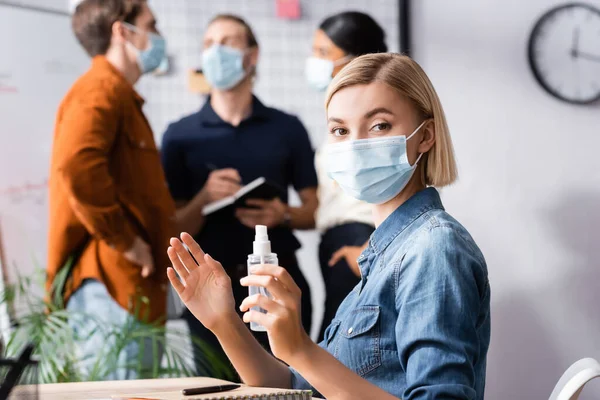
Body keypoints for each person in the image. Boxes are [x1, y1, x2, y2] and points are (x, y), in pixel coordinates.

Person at [166, 53, 491, 399]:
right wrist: (224, 321)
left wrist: (301, 350)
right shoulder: (380, 260)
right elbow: (298, 387)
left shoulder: (433, 248)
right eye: (340, 130)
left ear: (425, 136)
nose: (355, 145)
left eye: (379, 125)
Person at [160, 14, 318, 375]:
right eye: (209, 43)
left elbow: (314, 211)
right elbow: (172, 227)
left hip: (277, 285)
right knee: (213, 392)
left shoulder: (287, 128)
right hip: (207, 291)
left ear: (252, 56)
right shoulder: (179, 136)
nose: (216, 51)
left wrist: (283, 215)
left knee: (288, 388)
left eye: (228, 42)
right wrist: (202, 199)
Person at [47, 0, 176, 380]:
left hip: (124, 287)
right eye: (151, 25)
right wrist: (126, 241)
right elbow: (78, 165)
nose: (158, 35)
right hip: (112, 285)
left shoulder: (117, 94)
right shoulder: (101, 90)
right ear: (123, 31)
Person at [305, 11, 388, 341]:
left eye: (324, 53)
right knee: (334, 341)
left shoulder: (377, 112)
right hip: (338, 241)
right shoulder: (345, 109)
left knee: (341, 348)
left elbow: (405, 175)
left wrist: (368, 251)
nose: (315, 61)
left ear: (356, 59)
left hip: (359, 238)